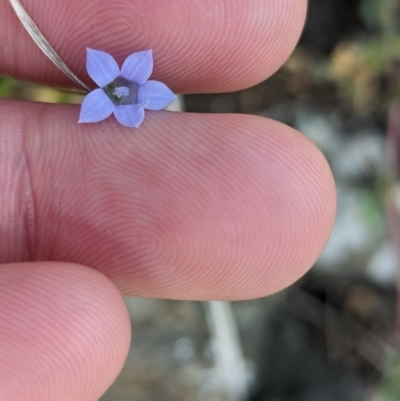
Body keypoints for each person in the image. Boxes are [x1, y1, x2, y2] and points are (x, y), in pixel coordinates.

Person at [0, 0, 336, 399]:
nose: (120, 91)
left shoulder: (133, 93)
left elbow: (137, 100)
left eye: (122, 91)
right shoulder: (105, 92)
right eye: (115, 90)